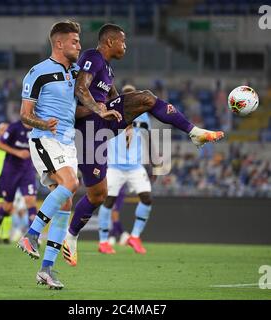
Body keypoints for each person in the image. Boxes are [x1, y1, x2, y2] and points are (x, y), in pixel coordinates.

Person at [62, 23, 224, 266]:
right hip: (86, 131)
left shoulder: (107, 70)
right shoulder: (92, 57)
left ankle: (194, 132)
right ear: (109, 42)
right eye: (122, 41)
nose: (125, 46)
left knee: (146, 98)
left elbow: (115, 101)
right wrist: (101, 109)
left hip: (102, 125)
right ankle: (70, 237)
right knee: (98, 195)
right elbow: (80, 88)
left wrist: (124, 113)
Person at [17, 20, 119, 289]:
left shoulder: (76, 73)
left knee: (65, 203)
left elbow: (86, 96)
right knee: (71, 184)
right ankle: (31, 234)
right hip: (45, 140)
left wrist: (102, 110)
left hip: (68, 143)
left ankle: (47, 270)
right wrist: (43, 123)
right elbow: (24, 115)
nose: (79, 45)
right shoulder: (38, 73)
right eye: (74, 41)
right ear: (59, 43)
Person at [98, 84, 155, 254]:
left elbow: (147, 138)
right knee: (108, 201)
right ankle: (103, 241)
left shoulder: (144, 117)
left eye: (134, 94)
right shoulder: (113, 111)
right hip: (114, 165)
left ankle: (135, 236)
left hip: (135, 166)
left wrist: (153, 163)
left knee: (147, 198)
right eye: (128, 95)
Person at [0, 120, 37, 249]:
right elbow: (0, 144)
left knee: (31, 201)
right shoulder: (14, 127)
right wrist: (18, 153)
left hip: (27, 170)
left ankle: (33, 237)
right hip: (11, 170)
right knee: (8, 206)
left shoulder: (37, 128)